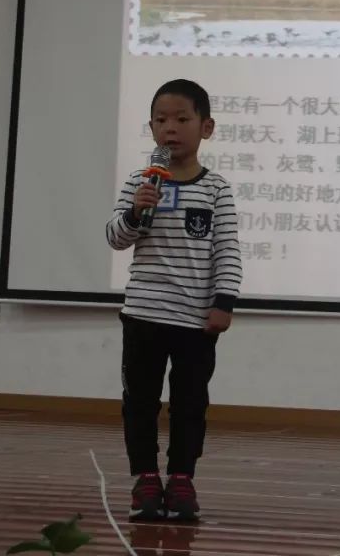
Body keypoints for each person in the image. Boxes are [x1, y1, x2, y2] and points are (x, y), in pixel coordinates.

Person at [106, 79, 242, 522]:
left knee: (190, 403)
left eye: (182, 119)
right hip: (143, 314)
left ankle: (182, 480)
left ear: (206, 128)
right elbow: (116, 238)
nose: (171, 128)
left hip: (194, 321)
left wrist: (224, 302)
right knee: (140, 401)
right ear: (151, 129)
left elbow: (227, 250)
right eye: (161, 120)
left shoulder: (217, 189)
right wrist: (136, 210)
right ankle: (145, 479)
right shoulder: (140, 183)